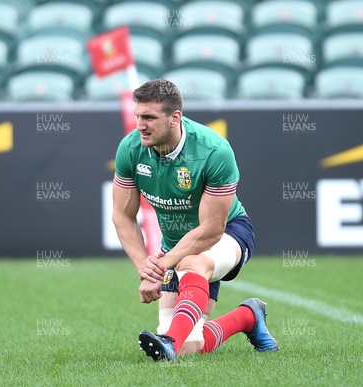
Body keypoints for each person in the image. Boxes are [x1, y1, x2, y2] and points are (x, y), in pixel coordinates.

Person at [112, 79, 279, 361]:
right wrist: (146, 267)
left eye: (149, 117)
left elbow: (212, 229)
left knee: (193, 264)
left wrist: (163, 264)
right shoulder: (130, 148)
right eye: (137, 115)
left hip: (228, 233)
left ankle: (168, 343)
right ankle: (249, 316)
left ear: (175, 117)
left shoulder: (214, 151)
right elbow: (122, 216)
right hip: (176, 245)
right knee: (191, 347)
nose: (140, 124)